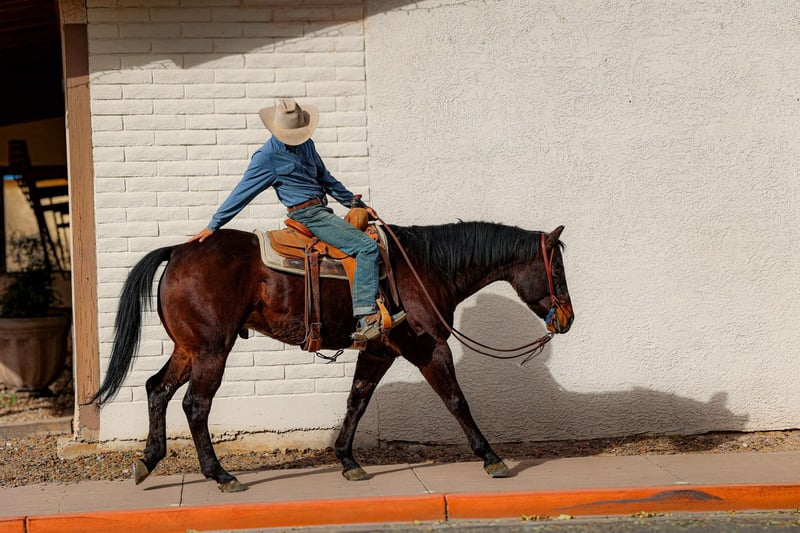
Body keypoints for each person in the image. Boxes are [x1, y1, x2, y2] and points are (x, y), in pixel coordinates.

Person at [189, 98, 402, 341]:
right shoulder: (266, 157)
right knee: (366, 247)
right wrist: (214, 224)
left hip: (322, 211)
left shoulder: (307, 145)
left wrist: (357, 205)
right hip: (308, 216)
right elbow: (242, 192)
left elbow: (326, 179)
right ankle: (367, 316)